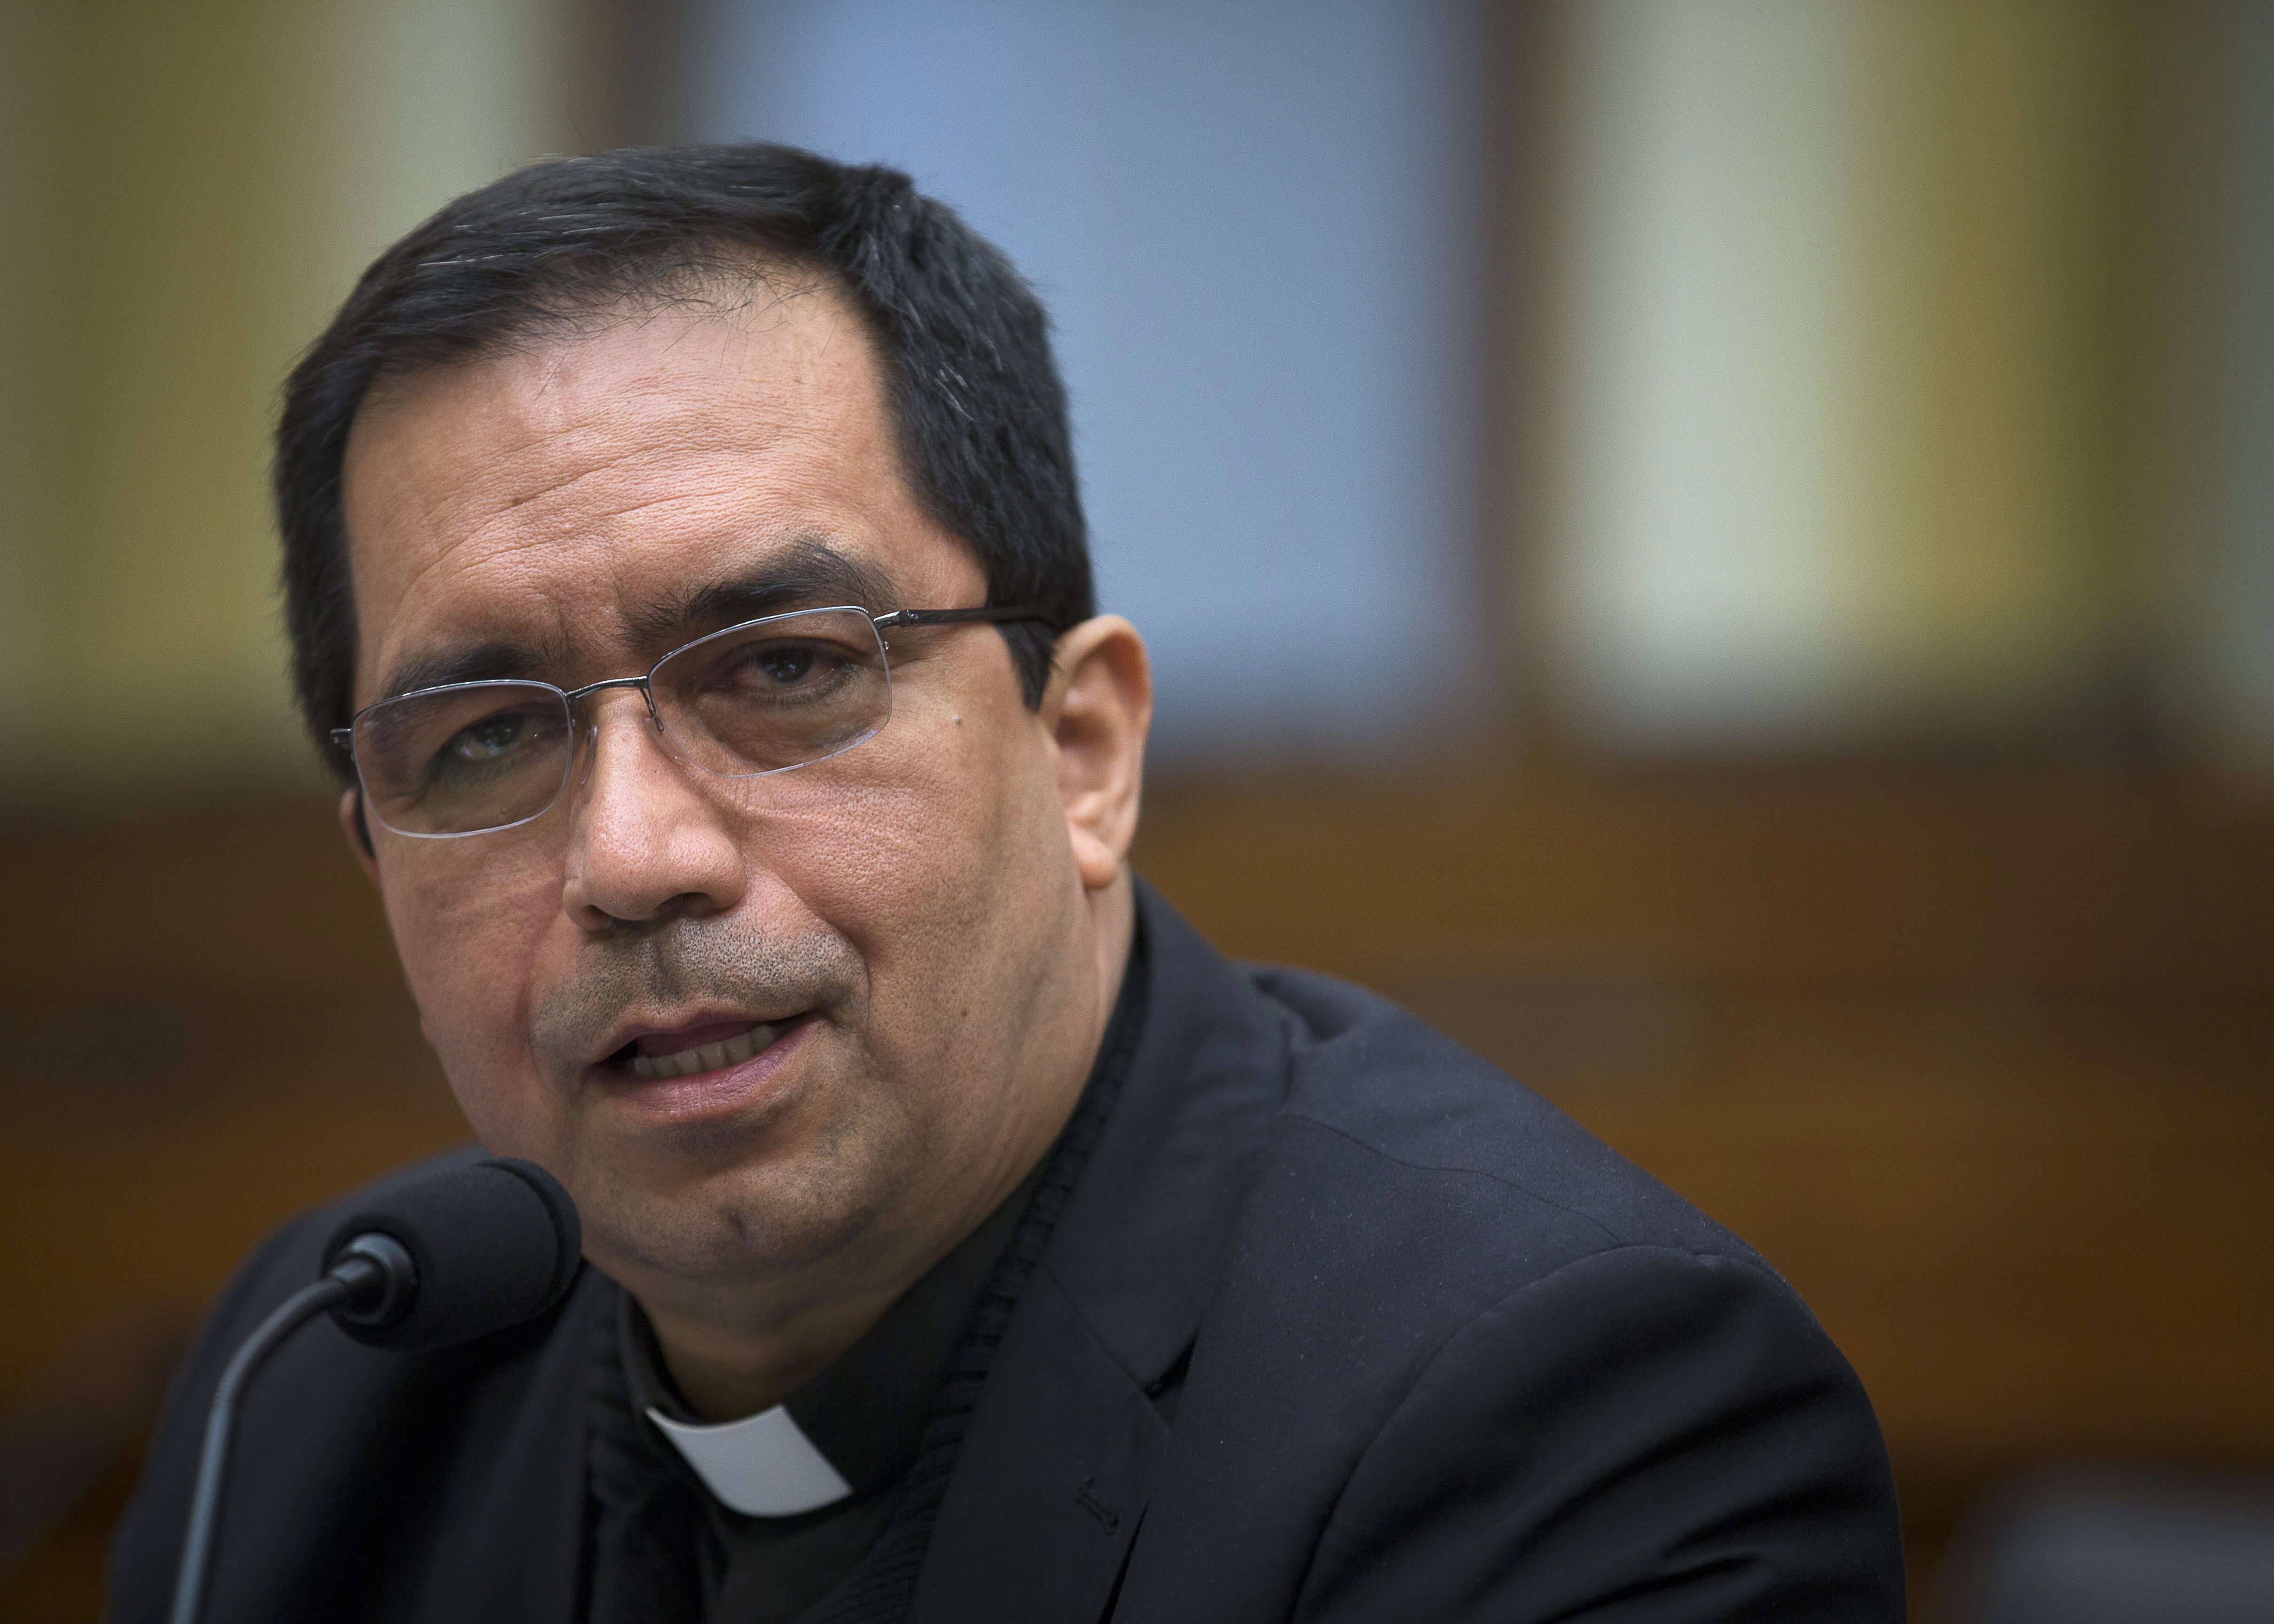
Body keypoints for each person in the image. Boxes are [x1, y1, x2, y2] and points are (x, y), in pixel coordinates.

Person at [106, 144, 1904, 1623]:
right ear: (375, 866)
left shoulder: (1566, 1416)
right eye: (485, 740)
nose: (636, 856)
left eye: (786, 668)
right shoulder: (327, 1390)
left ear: (1083, 752)